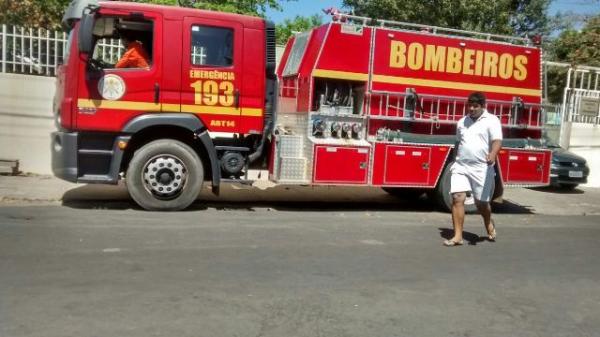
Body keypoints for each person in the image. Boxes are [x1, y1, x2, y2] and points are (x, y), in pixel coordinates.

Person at [444, 91, 502, 246]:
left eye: (475, 106)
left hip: (481, 168)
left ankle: (488, 222)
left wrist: (493, 154)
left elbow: (497, 141)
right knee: (457, 198)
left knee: (481, 203)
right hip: (461, 166)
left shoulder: (492, 120)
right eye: (469, 106)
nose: (471, 109)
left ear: (483, 106)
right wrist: (455, 160)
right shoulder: (462, 121)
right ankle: (458, 236)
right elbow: (458, 142)